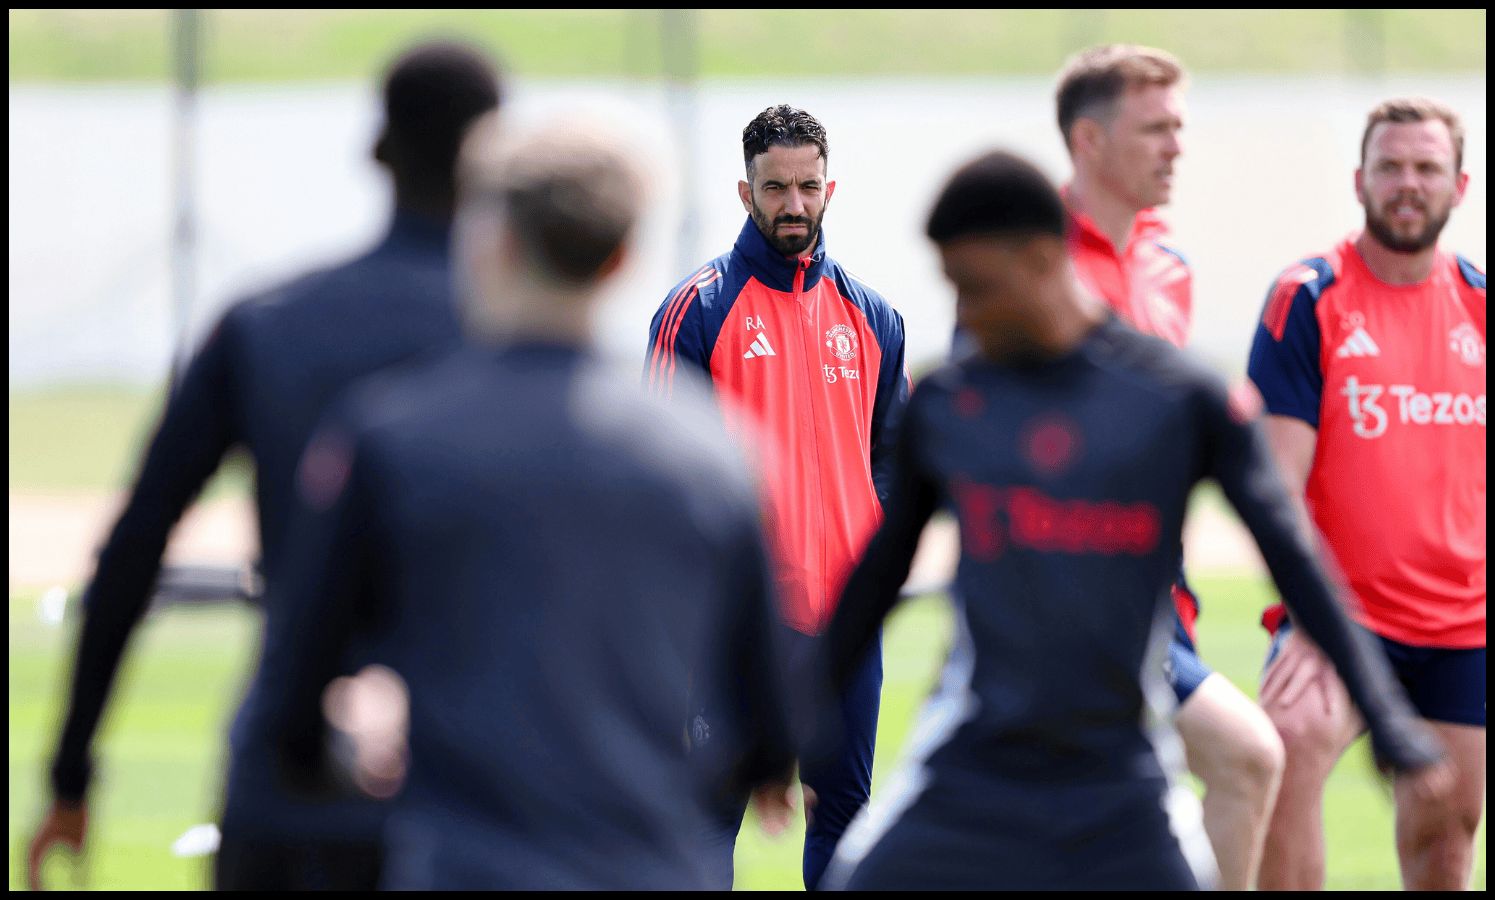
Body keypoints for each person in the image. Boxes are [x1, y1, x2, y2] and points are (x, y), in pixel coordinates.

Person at [817, 150, 1449, 891]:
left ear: (1043, 257)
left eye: (977, 288)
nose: (964, 314)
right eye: (953, 289)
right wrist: (780, 726)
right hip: (971, 764)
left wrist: (1387, 719)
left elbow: (1291, 559)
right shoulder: (948, 404)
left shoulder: (1176, 400)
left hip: (1120, 776)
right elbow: (875, 581)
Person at [260, 114, 800, 890]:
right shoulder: (717, 453)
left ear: (492, 240)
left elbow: (291, 714)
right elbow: (768, 733)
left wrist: (364, 743)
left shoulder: (391, 438)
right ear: (622, 258)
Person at [25, 42, 502, 891]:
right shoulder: (526, 353)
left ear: (377, 153)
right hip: (475, 803)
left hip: (288, 791)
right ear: (496, 158)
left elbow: (135, 548)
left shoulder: (267, 326)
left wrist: (71, 772)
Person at [645, 104, 909, 889]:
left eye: (806, 187)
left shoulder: (874, 318)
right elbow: (662, 475)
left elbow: (889, 460)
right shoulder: (696, 311)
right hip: (734, 624)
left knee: (844, 816)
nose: (792, 204)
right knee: (706, 817)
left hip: (846, 628)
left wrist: (870, 563)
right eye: (774, 189)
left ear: (830, 188)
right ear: (743, 191)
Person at [1054, 44, 1285, 890]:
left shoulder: (1167, 266)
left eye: (1179, 127)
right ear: (1087, 140)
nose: (1176, 148)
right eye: (1155, 129)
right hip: (1071, 607)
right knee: (1246, 755)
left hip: (1156, 595)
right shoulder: (1031, 265)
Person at [1248, 97, 1485, 891]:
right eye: (1389, 167)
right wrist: (1314, 622)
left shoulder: (1481, 306)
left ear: (1458, 184)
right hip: (1341, 615)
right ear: (1358, 180)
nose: (1406, 184)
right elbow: (1275, 485)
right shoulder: (1308, 296)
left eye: (1424, 168)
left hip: (1461, 625)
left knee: (1446, 838)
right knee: (1285, 741)